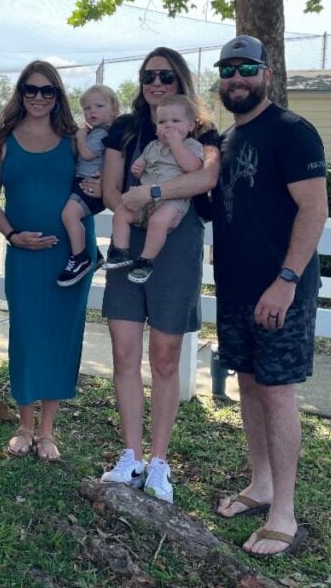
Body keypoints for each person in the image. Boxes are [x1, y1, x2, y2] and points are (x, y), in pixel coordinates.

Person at [210, 35, 328, 557]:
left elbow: (314, 210)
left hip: (282, 288)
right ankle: (260, 485)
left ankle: (284, 512)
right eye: (227, 69)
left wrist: (286, 279)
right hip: (236, 288)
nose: (236, 78)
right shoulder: (227, 141)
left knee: (278, 392)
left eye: (246, 68)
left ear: (267, 74)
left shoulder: (292, 132)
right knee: (250, 386)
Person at [98, 47, 219, 504]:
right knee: (124, 352)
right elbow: (112, 191)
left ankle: (159, 462)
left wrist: (150, 193)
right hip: (130, 241)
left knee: (165, 357)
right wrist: (135, 204)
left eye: (166, 76)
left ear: (180, 80)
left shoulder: (201, 130)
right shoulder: (127, 130)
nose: (156, 83)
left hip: (178, 240)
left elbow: (203, 180)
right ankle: (129, 455)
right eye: (149, 75)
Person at [0, 61, 95, 461]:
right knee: (27, 335)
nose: (38, 97)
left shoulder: (74, 139)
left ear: (58, 96)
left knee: (61, 336)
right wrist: (13, 235)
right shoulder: (1, 138)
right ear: (20, 92)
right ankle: (24, 425)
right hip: (24, 256)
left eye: (47, 91)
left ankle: (48, 430)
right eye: (30, 89)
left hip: (71, 257)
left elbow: (97, 182)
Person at [104, 95, 204, 284]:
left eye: (176, 121)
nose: (168, 126)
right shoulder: (152, 146)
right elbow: (141, 162)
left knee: (158, 221)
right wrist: (138, 166)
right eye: (162, 122)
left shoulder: (191, 145)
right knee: (121, 212)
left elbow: (192, 167)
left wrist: (175, 143)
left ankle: (146, 261)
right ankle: (120, 251)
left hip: (172, 200)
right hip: (146, 197)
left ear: (190, 126)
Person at [57, 84, 118, 286]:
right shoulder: (99, 131)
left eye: (99, 106)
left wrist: (81, 137)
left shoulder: (101, 133)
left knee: (69, 215)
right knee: (73, 218)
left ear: (114, 109)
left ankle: (80, 258)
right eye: (87, 108)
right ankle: (95, 253)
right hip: (84, 182)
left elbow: (87, 154)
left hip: (89, 185)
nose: (91, 111)